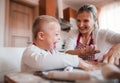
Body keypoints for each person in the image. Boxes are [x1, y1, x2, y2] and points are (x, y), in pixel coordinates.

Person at [21, 15, 98, 73]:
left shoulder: (51, 51)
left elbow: (62, 57)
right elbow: (40, 62)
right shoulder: (29, 52)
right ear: (41, 36)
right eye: (57, 34)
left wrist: (82, 61)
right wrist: (77, 61)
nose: (59, 38)